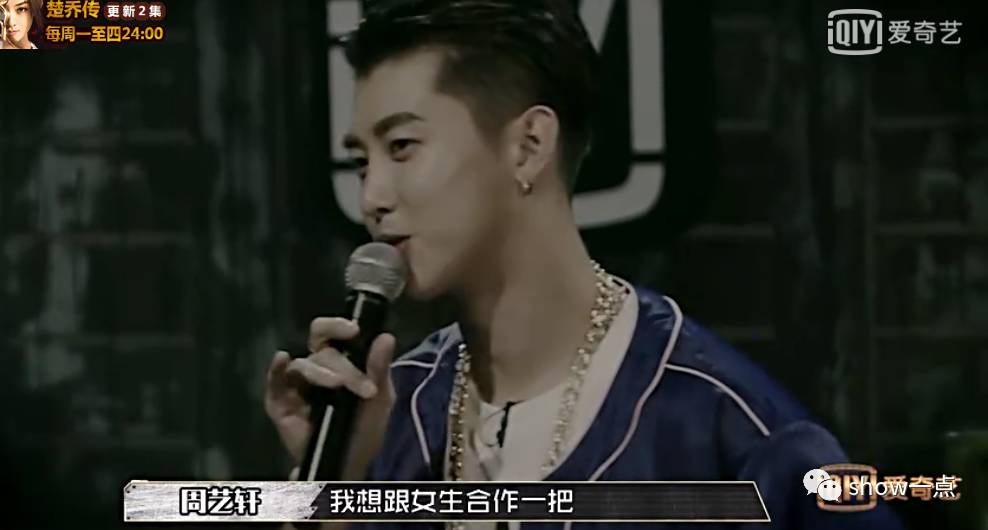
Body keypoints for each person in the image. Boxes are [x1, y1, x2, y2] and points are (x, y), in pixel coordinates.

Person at [264, 1, 903, 528]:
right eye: (362, 162)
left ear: (528, 145)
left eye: (402, 147)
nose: (372, 197)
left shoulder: (729, 432)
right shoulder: (389, 416)